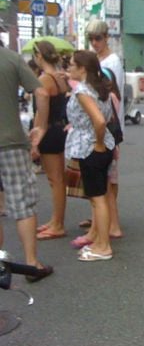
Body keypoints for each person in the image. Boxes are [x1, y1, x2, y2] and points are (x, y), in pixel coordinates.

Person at [0, 45, 53, 282]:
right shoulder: (11, 59)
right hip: (11, 141)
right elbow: (41, 93)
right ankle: (32, 264)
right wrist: (40, 127)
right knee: (22, 204)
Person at [65, 50, 116, 261]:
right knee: (100, 196)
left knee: (97, 199)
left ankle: (103, 246)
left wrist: (98, 144)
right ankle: (100, 241)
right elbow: (106, 117)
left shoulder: (83, 91)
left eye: (71, 64)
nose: (68, 68)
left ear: (82, 68)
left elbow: (100, 121)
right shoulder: (100, 88)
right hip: (103, 145)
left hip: (91, 147)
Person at [84, 19, 124, 239]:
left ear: (107, 37)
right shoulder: (97, 59)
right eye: (91, 39)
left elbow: (112, 95)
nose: (94, 42)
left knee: (108, 176)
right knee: (103, 177)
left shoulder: (112, 62)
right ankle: (102, 218)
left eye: (98, 38)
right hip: (100, 123)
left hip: (109, 124)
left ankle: (110, 222)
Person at [31, 41, 70, 240]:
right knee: (58, 179)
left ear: (39, 56)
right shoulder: (61, 77)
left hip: (48, 131)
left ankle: (58, 224)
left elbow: (41, 113)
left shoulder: (44, 79)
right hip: (60, 129)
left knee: (55, 180)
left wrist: (35, 139)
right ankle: (56, 221)